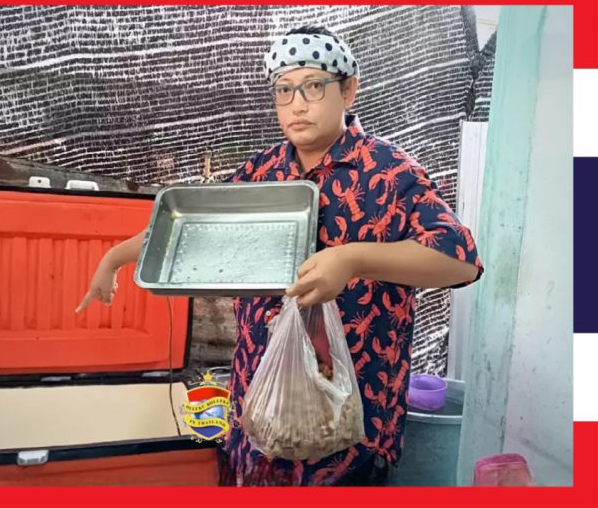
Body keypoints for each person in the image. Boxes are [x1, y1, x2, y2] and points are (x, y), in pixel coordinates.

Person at [76, 25, 483, 486]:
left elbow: (460, 260)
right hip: (260, 406)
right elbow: (188, 227)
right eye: (284, 90)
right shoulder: (262, 171)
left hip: (350, 413)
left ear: (348, 90)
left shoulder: (390, 173)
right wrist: (114, 258)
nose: (297, 104)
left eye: (313, 86)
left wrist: (352, 260)